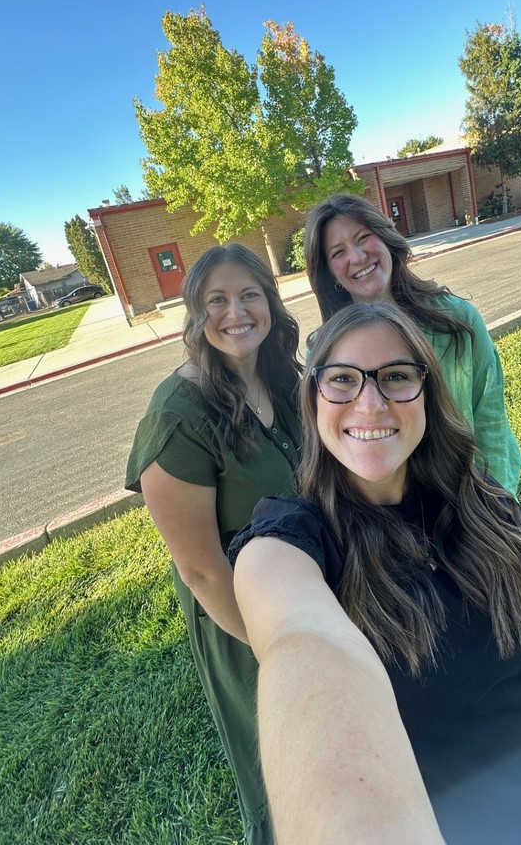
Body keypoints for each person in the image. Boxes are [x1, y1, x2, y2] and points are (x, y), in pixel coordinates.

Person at [230, 302, 521, 845]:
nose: (369, 403)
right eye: (343, 380)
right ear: (313, 399)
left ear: (428, 394)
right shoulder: (293, 542)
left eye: (396, 377)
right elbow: (297, 638)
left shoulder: (484, 507)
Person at [125, 244, 302, 845]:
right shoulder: (179, 413)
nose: (236, 312)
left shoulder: (282, 375)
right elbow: (200, 570)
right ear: (195, 315)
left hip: (313, 583)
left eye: (250, 294)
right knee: (285, 760)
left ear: (271, 302)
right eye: (216, 300)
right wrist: (279, 648)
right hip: (243, 615)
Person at [303, 193, 521, 495]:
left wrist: (498, 500)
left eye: (363, 238)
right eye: (338, 252)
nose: (356, 257)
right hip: (387, 516)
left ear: (386, 240)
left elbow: (490, 418)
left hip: (467, 495)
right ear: (330, 272)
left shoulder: (457, 321)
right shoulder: (323, 352)